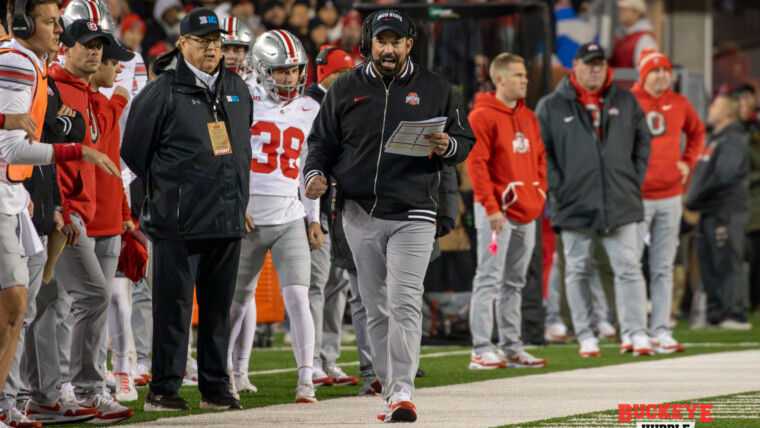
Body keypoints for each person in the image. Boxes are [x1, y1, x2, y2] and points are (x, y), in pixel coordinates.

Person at [303, 10, 475, 422]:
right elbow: (321, 143)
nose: (389, 49)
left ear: (408, 45)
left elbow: (464, 140)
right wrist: (314, 175)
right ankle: (388, 389)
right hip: (358, 210)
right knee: (375, 306)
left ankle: (402, 391)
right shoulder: (345, 86)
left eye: (397, 41)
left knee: (404, 302)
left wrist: (448, 144)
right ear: (369, 43)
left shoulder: (435, 87)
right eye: (382, 41)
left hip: (414, 210)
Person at [121, 7, 253, 412]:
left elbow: (240, 149)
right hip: (177, 221)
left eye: (217, 41)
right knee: (173, 311)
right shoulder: (161, 90)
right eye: (203, 41)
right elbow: (133, 152)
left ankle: (215, 389)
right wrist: (168, 195)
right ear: (182, 44)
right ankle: (163, 390)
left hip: (226, 218)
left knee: (217, 311)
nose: (213, 48)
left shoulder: (236, 86)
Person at [0, 8, 119, 424]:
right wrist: (76, 150)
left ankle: (20, 401)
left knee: (24, 309)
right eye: (51, 21)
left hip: (23, 197)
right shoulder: (16, 61)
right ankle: (31, 397)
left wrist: (38, 197)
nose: (58, 31)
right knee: (21, 307)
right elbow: (16, 147)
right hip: (18, 197)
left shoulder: (34, 68)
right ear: (22, 24)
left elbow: (37, 139)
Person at [535, 42, 652, 358]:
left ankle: (635, 333)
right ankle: (585, 335)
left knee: (629, 268)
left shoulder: (626, 100)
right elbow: (540, 152)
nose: (595, 69)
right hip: (573, 203)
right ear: (576, 66)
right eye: (589, 64)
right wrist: (560, 188)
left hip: (620, 202)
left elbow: (643, 142)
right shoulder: (551, 106)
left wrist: (632, 179)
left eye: (600, 64)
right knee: (576, 270)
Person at [227, 29, 322, 404]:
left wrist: (312, 218)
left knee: (299, 297)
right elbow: (229, 156)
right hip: (247, 218)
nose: (288, 78)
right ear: (262, 69)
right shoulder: (241, 99)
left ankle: (306, 380)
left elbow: (305, 168)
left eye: (294, 71)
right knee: (235, 304)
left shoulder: (310, 108)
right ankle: (225, 373)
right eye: (280, 71)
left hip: (288, 217)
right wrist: (236, 203)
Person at [466, 53, 548, 370]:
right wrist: (491, 207)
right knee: (488, 278)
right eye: (517, 75)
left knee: (514, 282)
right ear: (499, 79)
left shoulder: (529, 116)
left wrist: (539, 192)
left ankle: (512, 348)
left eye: (524, 74)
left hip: (527, 210)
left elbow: (540, 157)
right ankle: (481, 349)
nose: (524, 79)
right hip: (496, 213)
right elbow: (476, 166)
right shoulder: (481, 116)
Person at [631, 49, 705, 353]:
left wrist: (688, 161)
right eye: (655, 70)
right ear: (643, 74)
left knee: (663, 266)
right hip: (637, 198)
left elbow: (698, 132)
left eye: (665, 70)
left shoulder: (680, 102)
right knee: (631, 266)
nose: (662, 75)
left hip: (671, 196)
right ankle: (634, 330)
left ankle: (660, 328)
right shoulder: (628, 101)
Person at [304, 46, 358, 387]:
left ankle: (329, 358)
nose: (350, 80)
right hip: (318, 212)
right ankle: (310, 362)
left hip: (340, 210)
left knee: (337, 287)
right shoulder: (310, 104)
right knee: (316, 287)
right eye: (343, 74)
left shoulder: (344, 100)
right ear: (328, 75)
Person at [89, 34, 137, 402]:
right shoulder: (71, 95)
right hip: (77, 218)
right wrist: (119, 100)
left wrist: (125, 213)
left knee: (111, 299)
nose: (119, 68)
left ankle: (119, 371)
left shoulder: (105, 101)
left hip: (107, 214)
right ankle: (66, 381)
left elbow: (114, 165)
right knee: (70, 307)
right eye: (112, 60)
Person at [685, 94, 751, 330]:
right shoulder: (715, 139)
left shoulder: (732, 140)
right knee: (710, 262)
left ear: (726, 113)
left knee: (728, 262)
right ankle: (716, 314)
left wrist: (694, 198)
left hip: (726, 211)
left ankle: (734, 314)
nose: (710, 109)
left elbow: (723, 177)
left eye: (714, 105)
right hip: (709, 211)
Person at [610, 0, 657, 68]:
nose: (620, 13)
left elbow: (644, 71)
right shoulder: (621, 35)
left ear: (637, 13)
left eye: (624, 10)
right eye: (620, 9)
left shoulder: (645, 38)